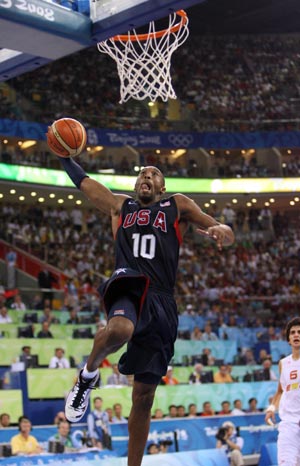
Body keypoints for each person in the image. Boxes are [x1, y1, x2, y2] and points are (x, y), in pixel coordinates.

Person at [59, 158, 234, 466]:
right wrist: (64, 157)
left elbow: (223, 230)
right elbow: (85, 184)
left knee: (143, 398)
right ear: (135, 183)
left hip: (163, 301)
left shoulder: (177, 205)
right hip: (129, 282)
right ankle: (87, 377)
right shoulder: (120, 206)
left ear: (161, 187)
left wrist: (222, 230)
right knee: (120, 329)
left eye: (154, 174)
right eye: (142, 173)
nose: (147, 176)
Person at [265, 317, 300, 466]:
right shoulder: (283, 363)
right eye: (292, 333)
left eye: (299, 332)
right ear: (288, 340)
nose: (296, 335)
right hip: (289, 424)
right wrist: (271, 408)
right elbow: (280, 390)